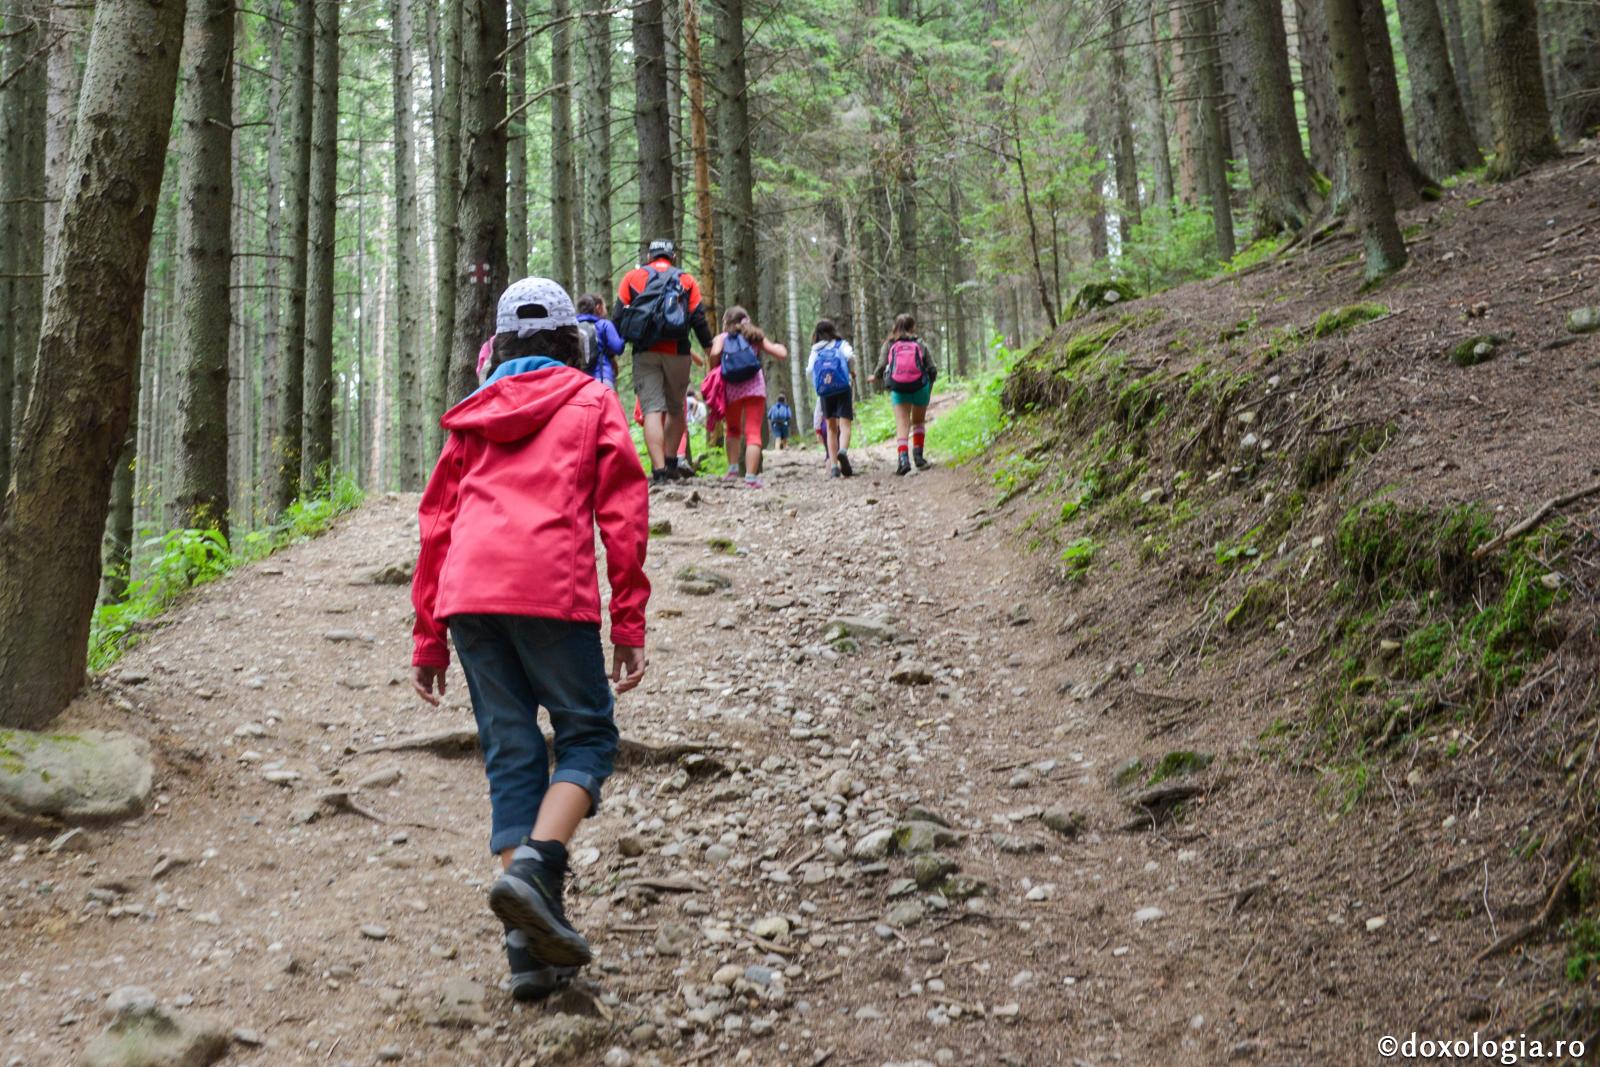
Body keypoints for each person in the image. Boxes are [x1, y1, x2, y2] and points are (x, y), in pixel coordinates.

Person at [410, 277, 651, 1003]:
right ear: (570, 341)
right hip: (551, 588)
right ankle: (537, 869)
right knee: (588, 738)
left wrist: (429, 636)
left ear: (502, 345)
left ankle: (528, 952)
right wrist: (629, 619)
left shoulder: (472, 414)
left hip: (468, 598)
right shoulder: (591, 399)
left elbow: (436, 525)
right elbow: (625, 513)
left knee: (512, 751)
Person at [616, 239, 713, 485]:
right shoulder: (686, 280)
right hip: (678, 352)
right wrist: (710, 348)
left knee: (651, 411)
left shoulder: (632, 278)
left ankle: (658, 471)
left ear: (650, 256)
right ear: (672, 256)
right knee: (675, 408)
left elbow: (618, 316)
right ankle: (671, 462)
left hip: (644, 351)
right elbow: (698, 319)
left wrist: (616, 347)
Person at [711, 306, 787, 488]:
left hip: (732, 389)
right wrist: (779, 346)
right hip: (754, 387)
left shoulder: (722, 338)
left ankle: (732, 470)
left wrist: (717, 364)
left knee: (733, 429)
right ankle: (751, 477)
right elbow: (781, 354)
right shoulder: (754, 336)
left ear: (727, 323)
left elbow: (714, 354)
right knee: (753, 432)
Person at [876, 312, 937, 476]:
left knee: (902, 423)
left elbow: (882, 366)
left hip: (898, 388)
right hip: (920, 387)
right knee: (918, 422)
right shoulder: (919, 343)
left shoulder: (889, 344)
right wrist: (928, 387)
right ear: (912, 327)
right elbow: (932, 368)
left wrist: (875, 377)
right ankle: (919, 457)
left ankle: (903, 459)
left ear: (895, 326)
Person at [806, 319, 857, 478]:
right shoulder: (840, 344)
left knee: (830, 428)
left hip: (825, 392)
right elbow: (851, 357)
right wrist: (851, 372)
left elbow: (809, 371)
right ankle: (843, 451)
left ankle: (834, 466)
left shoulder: (815, 350)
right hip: (843, 387)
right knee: (845, 424)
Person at [575, 294, 625, 391]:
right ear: (598, 307)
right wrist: (624, 336)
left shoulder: (574, 327)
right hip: (603, 379)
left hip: (581, 382)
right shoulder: (604, 324)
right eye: (605, 307)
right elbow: (618, 348)